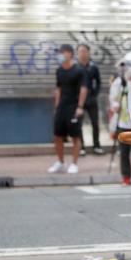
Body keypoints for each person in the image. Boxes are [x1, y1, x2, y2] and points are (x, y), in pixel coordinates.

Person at [48, 44, 88, 175]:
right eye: (59, 52)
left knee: (75, 137)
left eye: (62, 52)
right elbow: (58, 89)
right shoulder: (59, 70)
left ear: (70, 54)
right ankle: (60, 162)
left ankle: (74, 164)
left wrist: (80, 107)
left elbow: (83, 88)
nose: (60, 55)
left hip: (74, 107)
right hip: (62, 108)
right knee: (57, 136)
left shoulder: (79, 70)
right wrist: (56, 107)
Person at [108, 52, 131, 185]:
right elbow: (112, 99)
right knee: (123, 153)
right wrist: (115, 105)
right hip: (122, 124)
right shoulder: (119, 83)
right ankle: (126, 178)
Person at [76, 44, 104, 156]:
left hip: (91, 100)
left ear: (88, 52)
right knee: (79, 124)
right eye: (80, 51)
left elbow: (98, 82)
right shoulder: (76, 67)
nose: (82, 53)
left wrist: (95, 94)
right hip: (79, 101)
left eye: (84, 51)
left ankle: (96, 146)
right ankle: (81, 147)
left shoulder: (93, 67)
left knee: (95, 123)